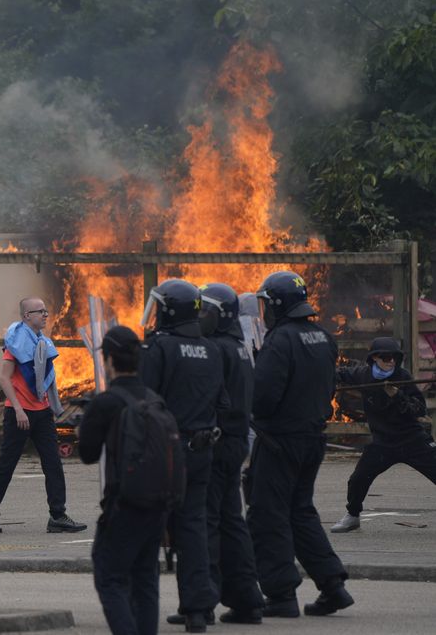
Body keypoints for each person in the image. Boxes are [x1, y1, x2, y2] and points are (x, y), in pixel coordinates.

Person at [247, 270, 352, 618]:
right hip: (312, 440)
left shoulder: (279, 341)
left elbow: (262, 399)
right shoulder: (322, 337)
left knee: (268, 515)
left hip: (279, 443)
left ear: (276, 306)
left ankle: (280, 594)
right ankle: (332, 586)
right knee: (300, 512)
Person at [139, 279, 227, 633]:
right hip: (203, 449)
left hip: (165, 452)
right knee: (194, 528)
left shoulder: (158, 349)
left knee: (148, 526)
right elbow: (223, 402)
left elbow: (145, 400)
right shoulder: (212, 349)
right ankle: (198, 609)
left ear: (170, 310)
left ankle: (136, 608)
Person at [79, 325, 169, 635]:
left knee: (110, 577)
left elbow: (87, 453)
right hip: (158, 504)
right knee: (146, 580)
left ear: (108, 359)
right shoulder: (154, 397)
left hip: (124, 502)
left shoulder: (107, 401)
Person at [0, 297, 86, 534]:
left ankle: (57, 515)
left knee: (53, 463)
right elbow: (5, 379)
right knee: (7, 463)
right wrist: (17, 408)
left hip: (42, 413)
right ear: (27, 316)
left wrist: (51, 406)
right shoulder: (16, 342)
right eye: (40, 312)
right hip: (19, 413)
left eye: (46, 311)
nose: (46, 315)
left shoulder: (42, 342)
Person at [195, 283, 264, 624]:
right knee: (231, 520)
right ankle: (247, 600)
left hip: (218, 442)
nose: (199, 317)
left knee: (205, 521)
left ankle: (202, 602)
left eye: (204, 311)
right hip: (236, 440)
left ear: (219, 314)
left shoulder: (216, 349)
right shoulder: (237, 346)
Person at [331, 337, 431, 533]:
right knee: (358, 479)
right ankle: (352, 516)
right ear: (374, 358)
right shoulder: (363, 375)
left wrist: (398, 396)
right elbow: (340, 375)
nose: (391, 361)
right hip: (383, 443)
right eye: (386, 357)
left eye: (394, 357)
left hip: (413, 441)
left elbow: (419, 410)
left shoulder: (403, 377)